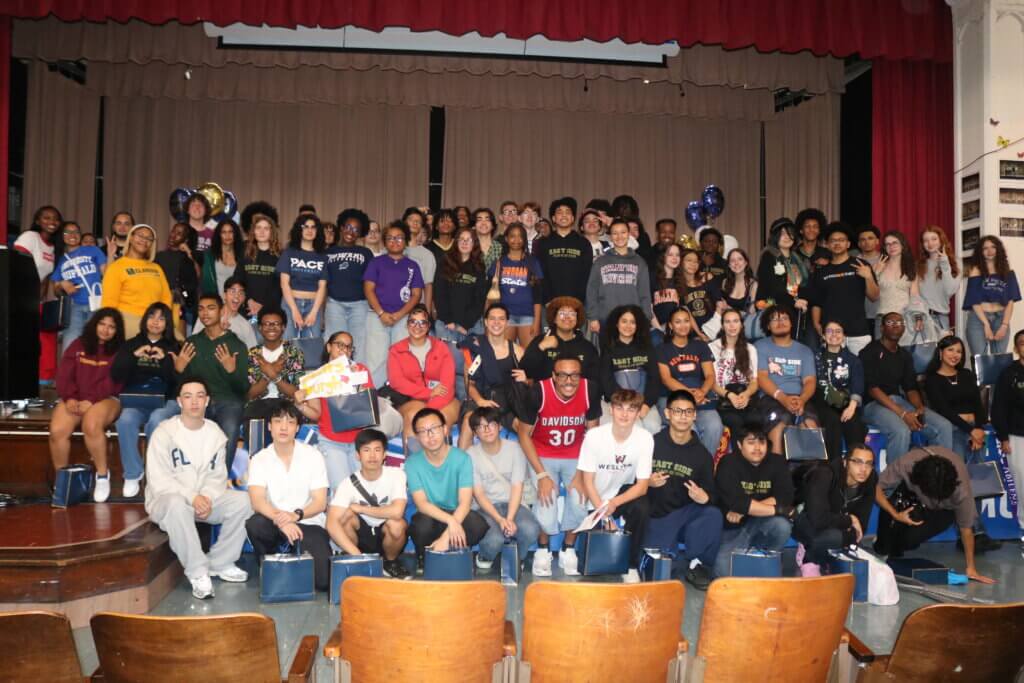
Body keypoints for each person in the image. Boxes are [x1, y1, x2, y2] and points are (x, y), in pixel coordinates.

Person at [145, 378, 252, 599]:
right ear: (179, 401)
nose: (194, 401)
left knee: (245, 501)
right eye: (188, 396)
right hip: (167, 502)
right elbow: (159, 480)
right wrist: (192, 497)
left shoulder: (215, 434)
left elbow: (218, 476)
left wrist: (206, 496)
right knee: (176, 503)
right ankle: (197, 571)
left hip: (203, 501)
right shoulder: (164, 432)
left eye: (199, 396)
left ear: (207, 400)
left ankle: (220, 562)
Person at [516, 355, 601, 576]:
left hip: (577, 455)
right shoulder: (538, 392)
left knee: (579, 499)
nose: (569, 381)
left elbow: (593, 435)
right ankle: (543, 550)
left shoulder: (590, 389)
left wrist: (583, 472)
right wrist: (542, 474)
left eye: (574, 375)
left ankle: (568, 548)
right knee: (546, 500)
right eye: (562, 375)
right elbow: (524, 435)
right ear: (553, 376)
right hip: (542, 453)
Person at [297, 330, 402, 494]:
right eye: (339, 345)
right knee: (342, 492)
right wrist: (300, 405)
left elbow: (369, 407)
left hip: (360, 442)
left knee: (365, 492)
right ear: (329, 347)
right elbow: (316, 414)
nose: (344, 350)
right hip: (331, 441)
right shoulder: (317, 377)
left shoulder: (360, 370)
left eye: (348, 347)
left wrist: (355, 382)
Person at [923, 335, 1000, 552]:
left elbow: (978, 403)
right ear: (940, 352)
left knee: (977, 482)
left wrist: (980, 430)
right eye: (950, 350)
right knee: (961, 483)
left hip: (975, 432)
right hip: (956, 432)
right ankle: (970, 533)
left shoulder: (966, 375)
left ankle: (976, 533)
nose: (955, 355)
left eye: (959, 351)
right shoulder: (932, 380)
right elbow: (943, 411)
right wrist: (970, 431)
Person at [874, 446, 995, 583]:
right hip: (910, 493)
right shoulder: (907, 463)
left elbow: (966, 529)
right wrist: (896, 514)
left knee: (909, 541)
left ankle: (902, 543)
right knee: (884, 546)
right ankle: (884, 543)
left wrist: (971, 568)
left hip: (944, 510)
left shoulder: (961, 491)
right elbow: (876, 487)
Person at [246, 400, 332, 591]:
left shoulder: (313, 456)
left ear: (297, 428)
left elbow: (319, 502)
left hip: (308, 522)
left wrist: (296, 516)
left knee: (323, 582)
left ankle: (294, 561)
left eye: (290, 422)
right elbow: (257, 501)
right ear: (269, 426)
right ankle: (272, 565)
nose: (283, 427)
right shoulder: (259, 459)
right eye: (278, 421)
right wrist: (282, 520)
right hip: (275, 521)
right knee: (255, 524)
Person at [645, 389, 722, 590]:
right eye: (678, 411)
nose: (683, 417)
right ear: (667, 414)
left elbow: (713, 495)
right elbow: (630, 483)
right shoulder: (650, 444)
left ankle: (699, 564)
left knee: (712, 514)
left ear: (695, 415)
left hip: (686, 515)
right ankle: (674, 558)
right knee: (659, 578)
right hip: (656, 516)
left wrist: (704, 497)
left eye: (688, 412)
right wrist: (647, 483)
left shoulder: (702, 455)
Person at [577, 389, 654, 583]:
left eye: (631, 409)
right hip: (594, 498)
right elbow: (587, 481)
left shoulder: (645, 438)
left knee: (642, 506)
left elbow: (642, 486)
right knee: (593, 566)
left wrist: (612, 504)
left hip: (619, 496)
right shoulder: (594, 436)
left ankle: (631, 565)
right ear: (611, 410)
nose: (624, 414)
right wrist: (604, 513)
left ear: (638, 413)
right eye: (619, 407)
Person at [51, 307, 125, 502]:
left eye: (112, 327)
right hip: (76, 399)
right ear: (94, 324)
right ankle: (63, 480)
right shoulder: (78, 344)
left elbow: (114, 382)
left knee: (91, 425)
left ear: (117, 331)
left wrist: (90, 401)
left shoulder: (120, 351)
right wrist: (71, 397)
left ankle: (102, 475)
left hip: (107, 399)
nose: (106, 330)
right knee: (58, 430)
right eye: (102, 324)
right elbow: (64, 375)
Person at [860, 312, 953, 462]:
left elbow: (910, 387)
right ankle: (893, 484)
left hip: (899, 402)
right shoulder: (869, 352)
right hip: (873, 405)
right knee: (901, 431)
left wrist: (919, 408)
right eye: (891, 323)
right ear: (882, 328)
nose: (897, 326)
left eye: (900, 323)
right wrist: (903, 414)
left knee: (943, 426)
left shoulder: (904, 355)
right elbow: (873, 389)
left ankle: (938, 478)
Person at [172, 293, 249, 473]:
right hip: (197, 401)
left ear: (222, 311)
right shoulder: (192, 343)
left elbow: (243, 389)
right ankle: (193, 479)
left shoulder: (236, 344)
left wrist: (232, 371)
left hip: (228, 402)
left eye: (211, 308)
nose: (205, 313)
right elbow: (180, 387)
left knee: (229, 428)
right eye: (201, 309)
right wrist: (179, 370)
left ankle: (219, 480)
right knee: (189, 432)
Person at [111, 302, 181, 497]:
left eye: (161, 318)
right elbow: (117, 374)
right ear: (144, 320)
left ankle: (154, 473)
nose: (155, 322)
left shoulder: (174, 347)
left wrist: (165, 359)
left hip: (166, 400)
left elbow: (178, 381)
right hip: (136, 400)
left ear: (167, 323)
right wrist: (134, 356)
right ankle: (133, 473)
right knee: (125, 421)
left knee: (157, 421)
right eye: (152, 317)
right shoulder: (131, 344)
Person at [404, 408, 489, 566]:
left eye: (434, 429)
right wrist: (451, 522)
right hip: (431, 514)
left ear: (444, 429)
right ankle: (426, 555)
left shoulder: (462, 458)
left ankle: (453, 550)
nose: (430, 436)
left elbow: (465, 502)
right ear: (417, 437)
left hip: (456, 512)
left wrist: (446, 535)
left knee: (478, 526)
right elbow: (421, 504)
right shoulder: (412, 463)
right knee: (420, 527)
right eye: (423, 431)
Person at [325, 428, 411, 579]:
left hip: (385, 534)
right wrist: (358, 555)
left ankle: (389, 563)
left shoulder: (396, 475)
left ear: (384, 454)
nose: (372, 455)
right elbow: (331, 523)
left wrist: (360, 508)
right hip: (360, 538)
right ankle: (355, 560)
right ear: (358, 455)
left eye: (377, 450)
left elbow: (397, 512)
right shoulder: (347, 483)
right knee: (345, 516)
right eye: (366, 450)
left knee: (397, 524)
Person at [713, 424, 795, 578]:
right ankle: (747, 561)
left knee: (782, 526)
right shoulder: (728, 463)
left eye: (762, 442)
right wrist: (777, 509)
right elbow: (737, 501)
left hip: (760, 522)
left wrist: (747, 510)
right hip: (732, 528)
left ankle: (764, 562)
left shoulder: (776, 462)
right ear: (739, 445)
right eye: (751, 442)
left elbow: (785, 496)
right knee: (722, 574)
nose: (757, 447)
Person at [467, 407, 541, 572]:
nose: (487, 430)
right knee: (494, 539)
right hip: (485, 508)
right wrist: (500, 520)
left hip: (513, 504)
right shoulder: (471, 454)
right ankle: (485, 555)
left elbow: (517, 486)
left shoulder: (515, 449)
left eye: (491, 424)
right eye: (480, 426)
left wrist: (509, 517)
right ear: (475, 433)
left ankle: (517, 557)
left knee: (530, 529)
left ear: (500, 426)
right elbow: (478, 494)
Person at [792, 445, 877, 577]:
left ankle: (818, 550)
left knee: (833, 537)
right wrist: (850, 519)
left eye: (868, 464)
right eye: (857, 462)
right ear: (845, 462)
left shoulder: (871, 480)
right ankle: (809, 558)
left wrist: (850, 528)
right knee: (822, 536)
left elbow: (861, 527)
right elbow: (817, 519)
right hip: (802, 519)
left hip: (831, 525)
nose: (863, 469)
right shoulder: (825, 474)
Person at [362, 221, 424, 386]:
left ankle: (399, 393)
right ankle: (375, 395)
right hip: (377, 316)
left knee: (401, 356)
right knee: (376, 358)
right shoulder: (376, 262)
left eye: (399, 238)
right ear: (384, 241)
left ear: (405, 241)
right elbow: (369, 289)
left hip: (403, 318)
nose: (394, 241)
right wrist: (381, 313)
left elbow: (417, 294)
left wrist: (400, 314)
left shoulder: (413, 265)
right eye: (390, 238)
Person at [458, 303, 528, 448]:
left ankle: (527, 469)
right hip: (480, 398)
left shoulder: (518, 351)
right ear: (486, 322)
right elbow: (469, 384)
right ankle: (460, 468)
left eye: (501, 319)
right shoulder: (475, 347)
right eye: (492, 319)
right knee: (468, 421)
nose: (496, 323)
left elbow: (530, 383)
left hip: (507, 402)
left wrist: (526, 379)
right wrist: (480, 401)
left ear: (507, 323)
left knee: (524, 427)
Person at [386, 304, 459, 444]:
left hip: (443, 398)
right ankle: (413, 463)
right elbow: (397, 382)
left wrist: (430, 410)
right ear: (407, 325)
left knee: (441, 419)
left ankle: (444, 463)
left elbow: (447, 385)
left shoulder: (441, 348)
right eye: (413, 321)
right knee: (414, 415)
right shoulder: (396, 350)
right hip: (411, 401)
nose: (417, 326)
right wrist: (428, 393)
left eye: (422, 322)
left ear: (428, 326)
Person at [657, 307, 724, 455]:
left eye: (686, 321)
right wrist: (690, 396)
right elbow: (666, 379)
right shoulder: (662, 349)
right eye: (678, 322)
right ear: (670, 325)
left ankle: (704, 466)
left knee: (715, 426)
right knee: (687, 428)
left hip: (699, 396)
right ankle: (686, 467)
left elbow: (710, 376)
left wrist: (701, 392)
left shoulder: (700, 346)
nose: (683, 325)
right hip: (671, 397)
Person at [754, 304, 819, 456]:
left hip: (799, 397)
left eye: (784, 318)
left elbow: (810, 381)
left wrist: (802, 399)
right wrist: (783, 398)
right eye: (774, 320)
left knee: (810, 425)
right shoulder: (760, 346)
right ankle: (777, 474)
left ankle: (812, 473)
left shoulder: (805, 351)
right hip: (771, 397)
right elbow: (761, 378)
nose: (780, 322)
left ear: (791, 323)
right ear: (768, 326)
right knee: (779, 427)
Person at [810, 224, 878, 355]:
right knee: (832, 373)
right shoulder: (821, 272)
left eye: (841, 240)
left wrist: (868, 277)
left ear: (848, 244)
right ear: (827, 245)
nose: (837, 243)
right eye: (833, 241)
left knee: (861, 372)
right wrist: (816, 324)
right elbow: (816, 301)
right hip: (831, 333)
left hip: (858, 332)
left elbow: (874, 296)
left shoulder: (861, 265)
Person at [434, 227, 488, 389]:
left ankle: (469, 400)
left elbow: (480, 299)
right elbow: (439, 293)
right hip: (446, 323)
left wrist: (465, 324)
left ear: (474, 244)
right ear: (456, 242)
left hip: (471, 326)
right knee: (447, 367)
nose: (465, 243)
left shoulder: (479, 266)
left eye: (469, 240)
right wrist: (448, 319)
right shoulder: (445, 262)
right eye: (461, 239)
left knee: (472, 368)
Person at [101, 224, 175, 339]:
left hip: (155, 321)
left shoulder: (156, 268)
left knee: (181, 346)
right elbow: (109, 303)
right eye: (140, 235)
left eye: (149, 238)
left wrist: (161, 320)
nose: (144, 240)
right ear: (130, 238)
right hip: (127, 320)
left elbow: (166, 298)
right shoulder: (116, 267)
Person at [600, 305, 662, 434]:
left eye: (632, 322)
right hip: (618, 402)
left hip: (644, 401)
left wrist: (646, 404)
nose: (628, 326)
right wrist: (626, 406)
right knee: (635, 427)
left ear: (638, 325)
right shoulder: (609, 349)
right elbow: (606, 380)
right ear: (617, 324)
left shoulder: (647, 348)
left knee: (653, 426)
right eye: (624, 321)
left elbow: (654, 378)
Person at [585, 219, 652, 337]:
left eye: (623, 232)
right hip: (605, 319)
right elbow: (591, 291)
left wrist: (646, 319)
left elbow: (645, 294)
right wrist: (593, 317)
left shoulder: (639, 262)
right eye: (615, 233)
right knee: (608, 354)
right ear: (610, 236)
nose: (619, 236)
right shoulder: (600, 261)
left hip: (632, 321)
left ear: (628, 234)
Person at [813, 320, 868, 461]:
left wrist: (852, 406)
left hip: (847, 403)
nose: (834, 334)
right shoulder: (815, 357)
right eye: (829, 331)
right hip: (822, 403)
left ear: (843, 336)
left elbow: (858, 383)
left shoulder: (853, 360)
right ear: (823, 336)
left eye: (838, 331)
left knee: (855, 425)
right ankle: (834, 468)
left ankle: (854, 465)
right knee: (832, 423)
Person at [52, 220, 107, 355]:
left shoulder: (93, 250)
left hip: (95, 304)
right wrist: (62, 283)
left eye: (76, 231)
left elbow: (107, 275)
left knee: (94, 348)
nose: (72, 234)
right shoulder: (62, 260)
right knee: (69, 348)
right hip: (73, 307)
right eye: (68, 232)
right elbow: (55, 289)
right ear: (63, 236)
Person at [710, 308, 761, 447]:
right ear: (722, 325)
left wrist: (746, 394)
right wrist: (729, 395)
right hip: (722, 399)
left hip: (744, 396)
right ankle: (739, 459)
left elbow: (754, 381)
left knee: (755, 419)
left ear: (741, 325)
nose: (732, 326)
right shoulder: (713, 348)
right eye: (727, 322)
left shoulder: (750, 349)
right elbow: (711, 382)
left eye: (735, 321)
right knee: (735, 421)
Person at [324, 209, 373, 351]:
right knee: (335, 345)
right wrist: (322, 312)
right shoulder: (328, 252)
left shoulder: (365, 253)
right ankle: (335, 373)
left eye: (356, 229)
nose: (351, 232)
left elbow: (370, 282)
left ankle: (357, 373)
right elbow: (323, 284)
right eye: (348, 227)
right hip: (334, 304)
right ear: (341, 227)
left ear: (360, 233)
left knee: (358, 345)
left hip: (359, 305)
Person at [963, 235, 1020, 357]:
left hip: (1001, 318)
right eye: (985, 248)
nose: (989, 251)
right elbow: (974, 301)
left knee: (999, 358)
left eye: (993, 247)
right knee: (980, 359)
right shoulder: (975, 271)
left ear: (998, 249)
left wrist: (1004, 325)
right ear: (980, 251)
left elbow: (1011, 301)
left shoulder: (1008, 272)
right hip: (978, 318)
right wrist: (986, 324)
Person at [488, 223, 544, 346]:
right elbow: (490, 295)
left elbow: (538, 295)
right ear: (506, 239)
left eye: (520, 236)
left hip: (528, 316)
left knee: (528, 357)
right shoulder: (499, 263)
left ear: (524, 240)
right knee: (505, 355)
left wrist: (536, 321)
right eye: (512, 236)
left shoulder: (532, 262)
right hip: (505, 316)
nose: (516, 240)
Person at [521, 296, 599, 383]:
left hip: (579, 394)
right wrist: (541, 347)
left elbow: (595, 379)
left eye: (572, 314)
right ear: (554, 318)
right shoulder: (540, 341)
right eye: (562, 313)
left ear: (577, 319)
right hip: (545, 393)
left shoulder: (587, 347)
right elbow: (525, 370)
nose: (567, 317)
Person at [992, 329, 1024, 539]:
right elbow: (999, 408)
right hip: (1016, 436)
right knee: (1022, 482)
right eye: (1023, 343)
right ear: (1016, 347)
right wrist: (1003, 437)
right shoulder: (1009, 374)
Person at [245, 307, 305, 417]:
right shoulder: (253, 354)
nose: (271, 327)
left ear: (283, 327)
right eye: (267, 324)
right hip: (259, 404)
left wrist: (273, 375)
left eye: (276, 324)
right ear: (260, 328)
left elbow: (296, 393)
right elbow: (251, 394)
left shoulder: (293, 353)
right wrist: (268, 375)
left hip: (287, 404)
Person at [277, 214, 328, 341]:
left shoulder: (322, 256)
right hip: (290, 304)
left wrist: (315, 312)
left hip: (314, 306)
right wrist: (294, 310)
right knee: (288, 346)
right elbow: (284, 284)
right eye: (305, 227)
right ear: (299, 230)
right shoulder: (289, 253)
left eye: (313, 227)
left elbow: (322, 287)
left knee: (312, 346)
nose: (309, 230)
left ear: (317, 231)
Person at [533, 197, 592, 304]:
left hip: (576, 303)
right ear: (554, 218)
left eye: (568, 212)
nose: (564, 215)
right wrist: (547, 300)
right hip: (549, 303)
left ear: (573, 218)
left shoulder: (583, 243)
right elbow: (540, 274)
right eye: (559, 212)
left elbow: (586, 275)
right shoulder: (543, 243)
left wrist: (579, 300)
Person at [874, 231, 929, 344]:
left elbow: (915, 295)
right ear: (884, 247)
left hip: (904, 319)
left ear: (903, 245)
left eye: (895, 243)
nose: (891, 246)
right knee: (882, 357)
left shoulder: (912, 267)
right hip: (882, 319)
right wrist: (875, 273)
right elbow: (871, 293)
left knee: (904, 356)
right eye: (887, 244)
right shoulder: (878, 266)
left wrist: (918, 317)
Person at [756, 218, 810, 333]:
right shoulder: (769, 256)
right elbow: (773, 287)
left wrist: (804, 300)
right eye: (782, 234)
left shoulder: (797, 259)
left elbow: (803, 285)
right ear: (775, 237)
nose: (787, 237)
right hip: (774, 312)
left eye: (790, 234)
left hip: (796, 312)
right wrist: (794, 302)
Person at [155, 222, 200, 335]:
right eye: (173, 231)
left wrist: (188, 252)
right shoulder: (159, 256)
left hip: (181, 308)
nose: (173, 235)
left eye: (179, 233)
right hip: (160, 305)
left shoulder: (188, 258)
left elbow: (197, 277)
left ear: (185, 239)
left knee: (180, 343)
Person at [192, 276, 258, 350]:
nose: (237, 296)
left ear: (244, 298)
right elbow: (194, 344)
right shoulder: (207, 315)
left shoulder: (245, 325)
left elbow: (253, 354)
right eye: (233, 291)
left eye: (241, 293)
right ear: (224, 295)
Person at [239, 212, 282, 322]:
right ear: (254, 231)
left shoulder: (280, 256)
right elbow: (239, 280)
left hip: (270, 311)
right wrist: (248, 300)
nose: (262, 232)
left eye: (266, 228)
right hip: (247, 309)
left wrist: (262, 305)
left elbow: (280, 287)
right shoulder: (245, 253)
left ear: (272, 232)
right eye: (258, 228)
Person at [917, 226, 960, 334]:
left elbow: (950, 291)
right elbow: (915, 295)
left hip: (941, 318)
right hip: (922, 318)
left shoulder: (954, 263)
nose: (930, 243)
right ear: (922, 244)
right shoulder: (918, 265)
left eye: (934, 239)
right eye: (926, 240)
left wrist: (945, 264)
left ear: (941, 240)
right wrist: (918, 317)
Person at [678, 249, 721, 339]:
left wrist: (712, 329)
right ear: (681, 262)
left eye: (696, 261)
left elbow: (719, 303)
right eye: (689, 260)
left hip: (715, 327)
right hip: (695, 333)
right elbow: (687, 313)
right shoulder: (678, 286)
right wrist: (699, 333)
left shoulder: (706, 277)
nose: (693, 264)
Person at [402, 208, 437, 315]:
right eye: (411, 219)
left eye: (418, 221)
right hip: (391, 306)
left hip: (416, 309)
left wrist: (427, 313)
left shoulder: (427, 255)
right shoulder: (391, 249)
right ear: (403, 222)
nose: (415, 222)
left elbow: (428, 286)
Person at [200, 220, 245, 297]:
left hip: (238, 301)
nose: (227, 235)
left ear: (235, 234)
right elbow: (205, 281)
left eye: (231, 232)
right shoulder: (209, 255)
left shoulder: (243, 255)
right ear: (219, 235)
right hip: (216, 302)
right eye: (223, 232)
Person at [855, 225, 884, 327]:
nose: (866, 242)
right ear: (858, 243)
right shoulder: (853, 262)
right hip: (859, 315)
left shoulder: (886, 260)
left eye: (870, 238)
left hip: (882, 314)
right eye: (863, 239)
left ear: (877, 241)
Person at [720, 248, 758, 318]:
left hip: (746, 326)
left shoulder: (754, 285)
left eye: (740, 259)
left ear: (746, 262)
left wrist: (729, 308)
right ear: (729, 265)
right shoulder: (724, 282)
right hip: (728, 325)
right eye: (732, 260)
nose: (736, 263)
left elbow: (752, 313)